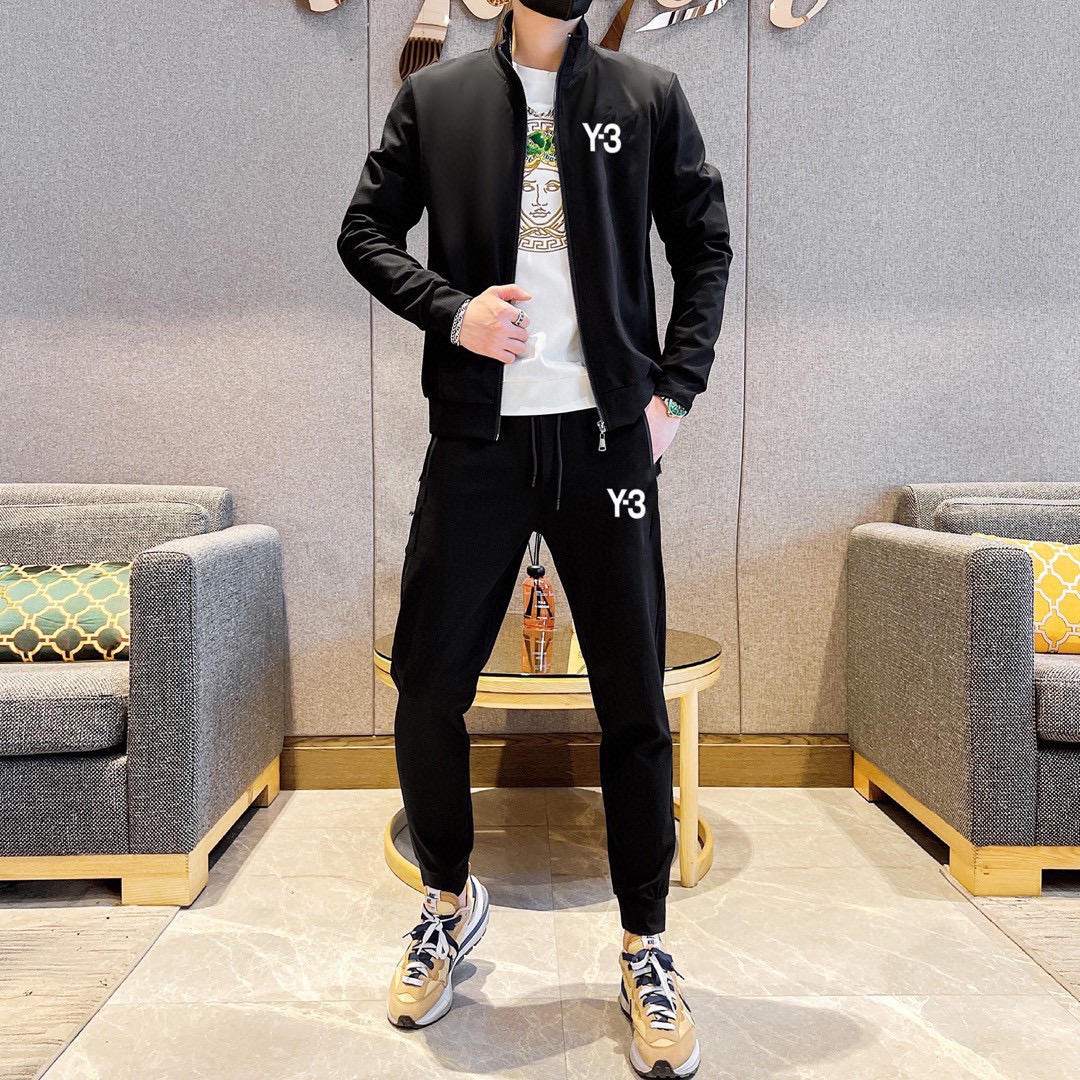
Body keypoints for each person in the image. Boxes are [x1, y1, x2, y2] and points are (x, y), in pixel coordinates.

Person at [337, 0, 731, 1075]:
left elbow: (704, 244)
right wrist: (451, 310)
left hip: (607, 441)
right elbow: (364, 233)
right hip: (479, 439)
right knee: (428, 682)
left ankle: (645, 946)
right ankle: (446, 902)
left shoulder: (647, 96)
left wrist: (675, 396)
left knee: (633, 699)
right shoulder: (440, 98)